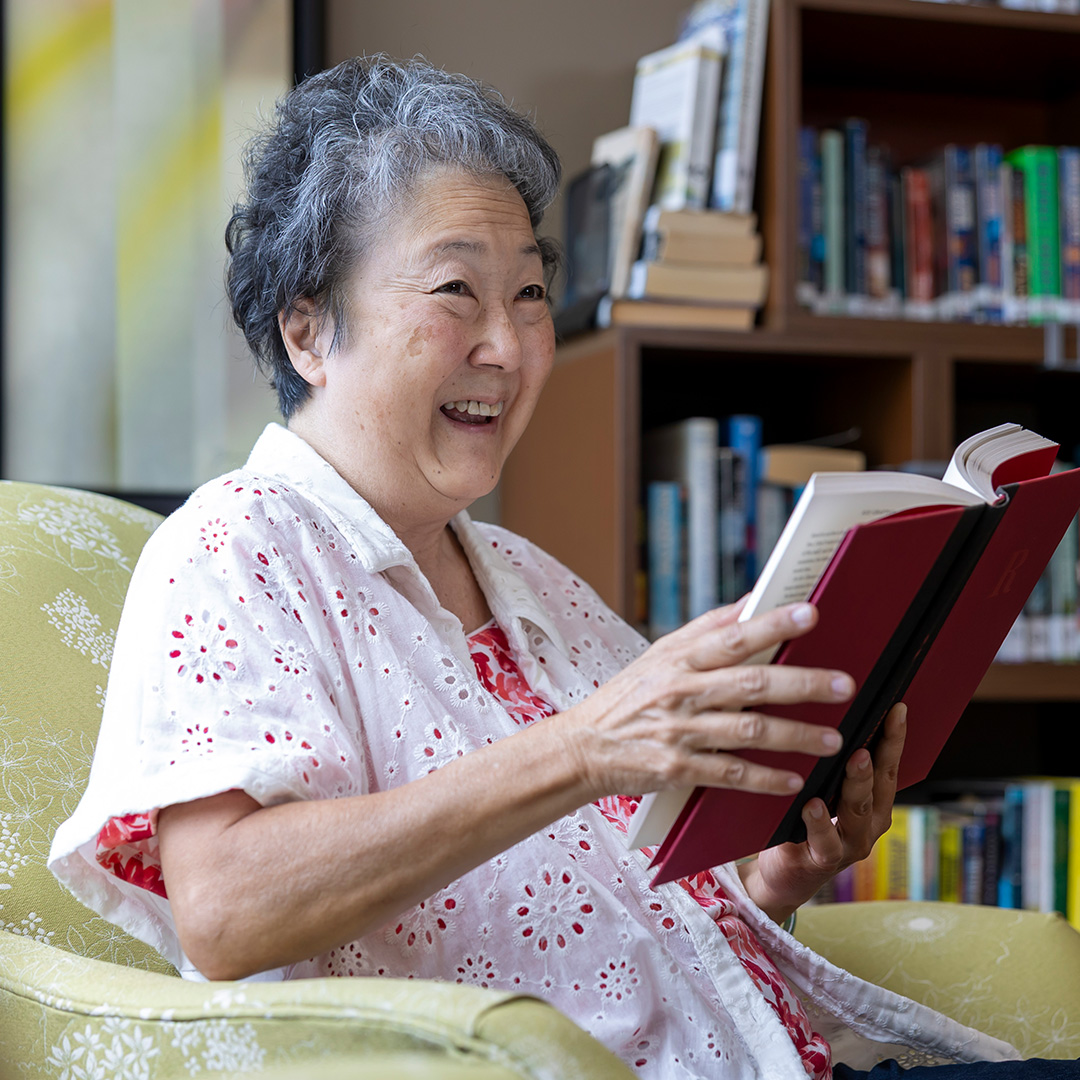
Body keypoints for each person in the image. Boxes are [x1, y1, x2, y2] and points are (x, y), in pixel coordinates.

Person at [50, 56, 1074, 1080]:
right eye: (456, 291)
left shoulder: (529, 580)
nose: (507, 343)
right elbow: (228, 909)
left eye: (532, 294)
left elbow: (617, 919)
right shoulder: (237, 548)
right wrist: (582, 749)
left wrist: (770, 879)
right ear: (309, 329)